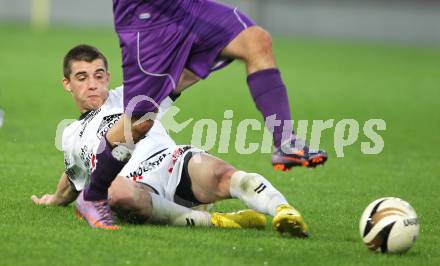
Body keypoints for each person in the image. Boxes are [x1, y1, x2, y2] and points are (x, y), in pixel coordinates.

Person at [79, 0, 327, 227]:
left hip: (189, 7)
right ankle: (94, 196)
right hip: (149, 17)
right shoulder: (76, 132)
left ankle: (284, 142)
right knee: (139, 123)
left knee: (256, 40)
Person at [34, 44, 309, 237]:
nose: (92, 84)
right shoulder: (70, 134)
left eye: (98, 75)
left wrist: (217, 51)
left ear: (108, 77)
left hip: (172, 162)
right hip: (135, 189)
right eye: (81, 77)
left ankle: (285, 210)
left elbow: (178, 78)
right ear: (67, 83)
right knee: (113, 192)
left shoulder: (131, 95)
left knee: (227, 176)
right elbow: (73, 177)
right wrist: (54, 200)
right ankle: (217, 221)